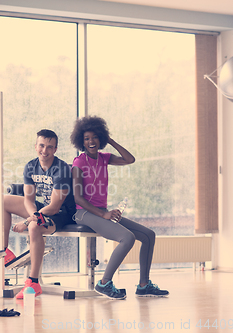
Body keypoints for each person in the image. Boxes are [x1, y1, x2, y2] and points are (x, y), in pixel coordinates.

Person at [70, 116, 169, 299]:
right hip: (83, 213)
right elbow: (78, 197)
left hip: (101, 212)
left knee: (148, 235)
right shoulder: (79, 163)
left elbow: (129, 159)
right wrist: (103, 214)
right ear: (81, 142)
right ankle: (104, 283)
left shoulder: (104, 158)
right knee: (127, 237)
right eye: (86, 138)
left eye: (95, 137)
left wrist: (111, 141)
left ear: (100, 138)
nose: (91, 141)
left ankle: (144, 285)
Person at [0, 129, 76, 299]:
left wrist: (27, 221)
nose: (45, 151)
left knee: (34, 227)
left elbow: (55, 207)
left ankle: (33, 282)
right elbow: (28, 200)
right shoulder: (31, 166)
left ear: (55, 149)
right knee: (2, 200)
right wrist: (33, 213)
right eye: (41, 145)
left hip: (62, 213)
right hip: (43, 208)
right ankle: (4, 253)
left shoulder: (61, 169)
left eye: (50, 147)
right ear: (35, 146)